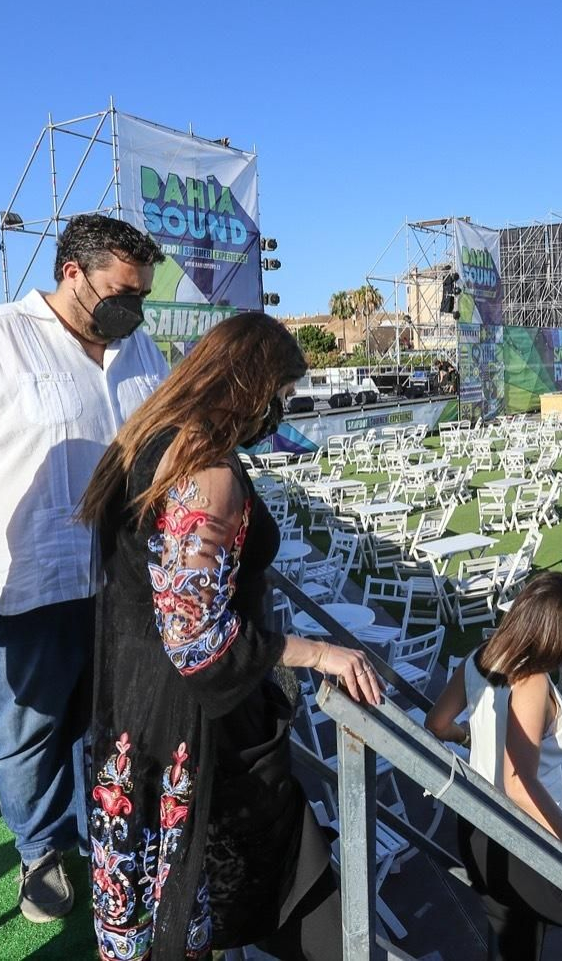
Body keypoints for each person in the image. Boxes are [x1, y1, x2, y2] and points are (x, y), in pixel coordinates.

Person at [79, 312, 381, 960]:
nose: (283, 410)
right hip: (196, 731)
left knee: (192, 917)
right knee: (294, 904)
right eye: (282, 394)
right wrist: (320, 653)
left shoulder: (146, 439)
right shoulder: (204, 470)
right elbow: (196, 637)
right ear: (250, 385)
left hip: (136, 714)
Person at [0, 213, 171, 921]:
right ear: (71, 273)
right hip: (23, 584)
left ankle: (99, 833)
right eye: (124, 292)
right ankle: (41, 851)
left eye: (143, 294)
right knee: (30, 729)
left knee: (110, 720)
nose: (135, 308)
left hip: (124, 584)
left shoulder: (142, 349)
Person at [427, 572, 562, 960]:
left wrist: (471, 738)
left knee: (519, 946)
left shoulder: (482, 655)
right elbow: (520, 785)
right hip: (521, 839)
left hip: (477, 829)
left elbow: (437, 724)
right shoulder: (532, 681)